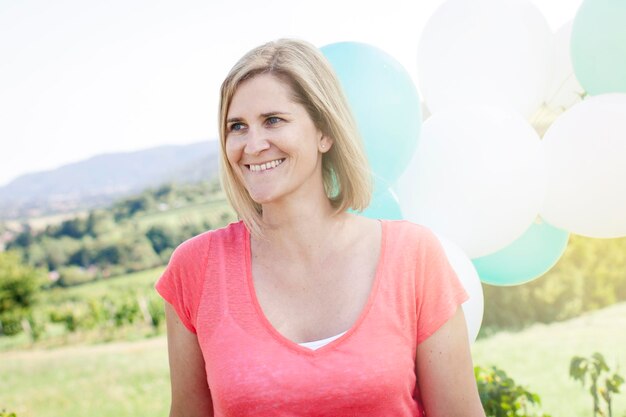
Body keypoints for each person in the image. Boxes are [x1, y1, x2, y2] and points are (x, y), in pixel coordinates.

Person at [156, 38, 486, 417]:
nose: (253, 144)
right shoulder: (195, 269)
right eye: (237, 127)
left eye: (273, 120)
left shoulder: (414, 255)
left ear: (324, 133)